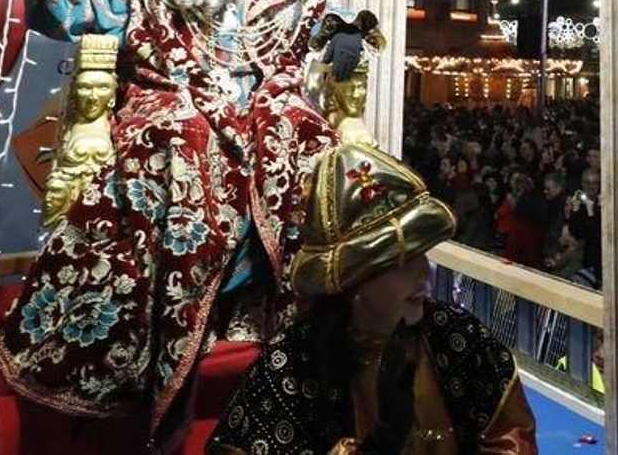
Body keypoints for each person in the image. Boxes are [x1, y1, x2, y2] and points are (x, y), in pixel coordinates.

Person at [0, 0, 344, 432]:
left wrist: (347, 40)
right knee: (179, 139)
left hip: (263, 125)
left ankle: (280, 326)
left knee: (311, 143)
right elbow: (78, 12)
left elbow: (333, 33)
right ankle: (153, 341)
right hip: (170, 114)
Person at [209, 141, 537, 453]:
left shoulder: (457, 337)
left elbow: (510, 436)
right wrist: (380, 444)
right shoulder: (290, 371)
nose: (425, 273)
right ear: (354, 281)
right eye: (402, 263)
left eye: (422, 254)